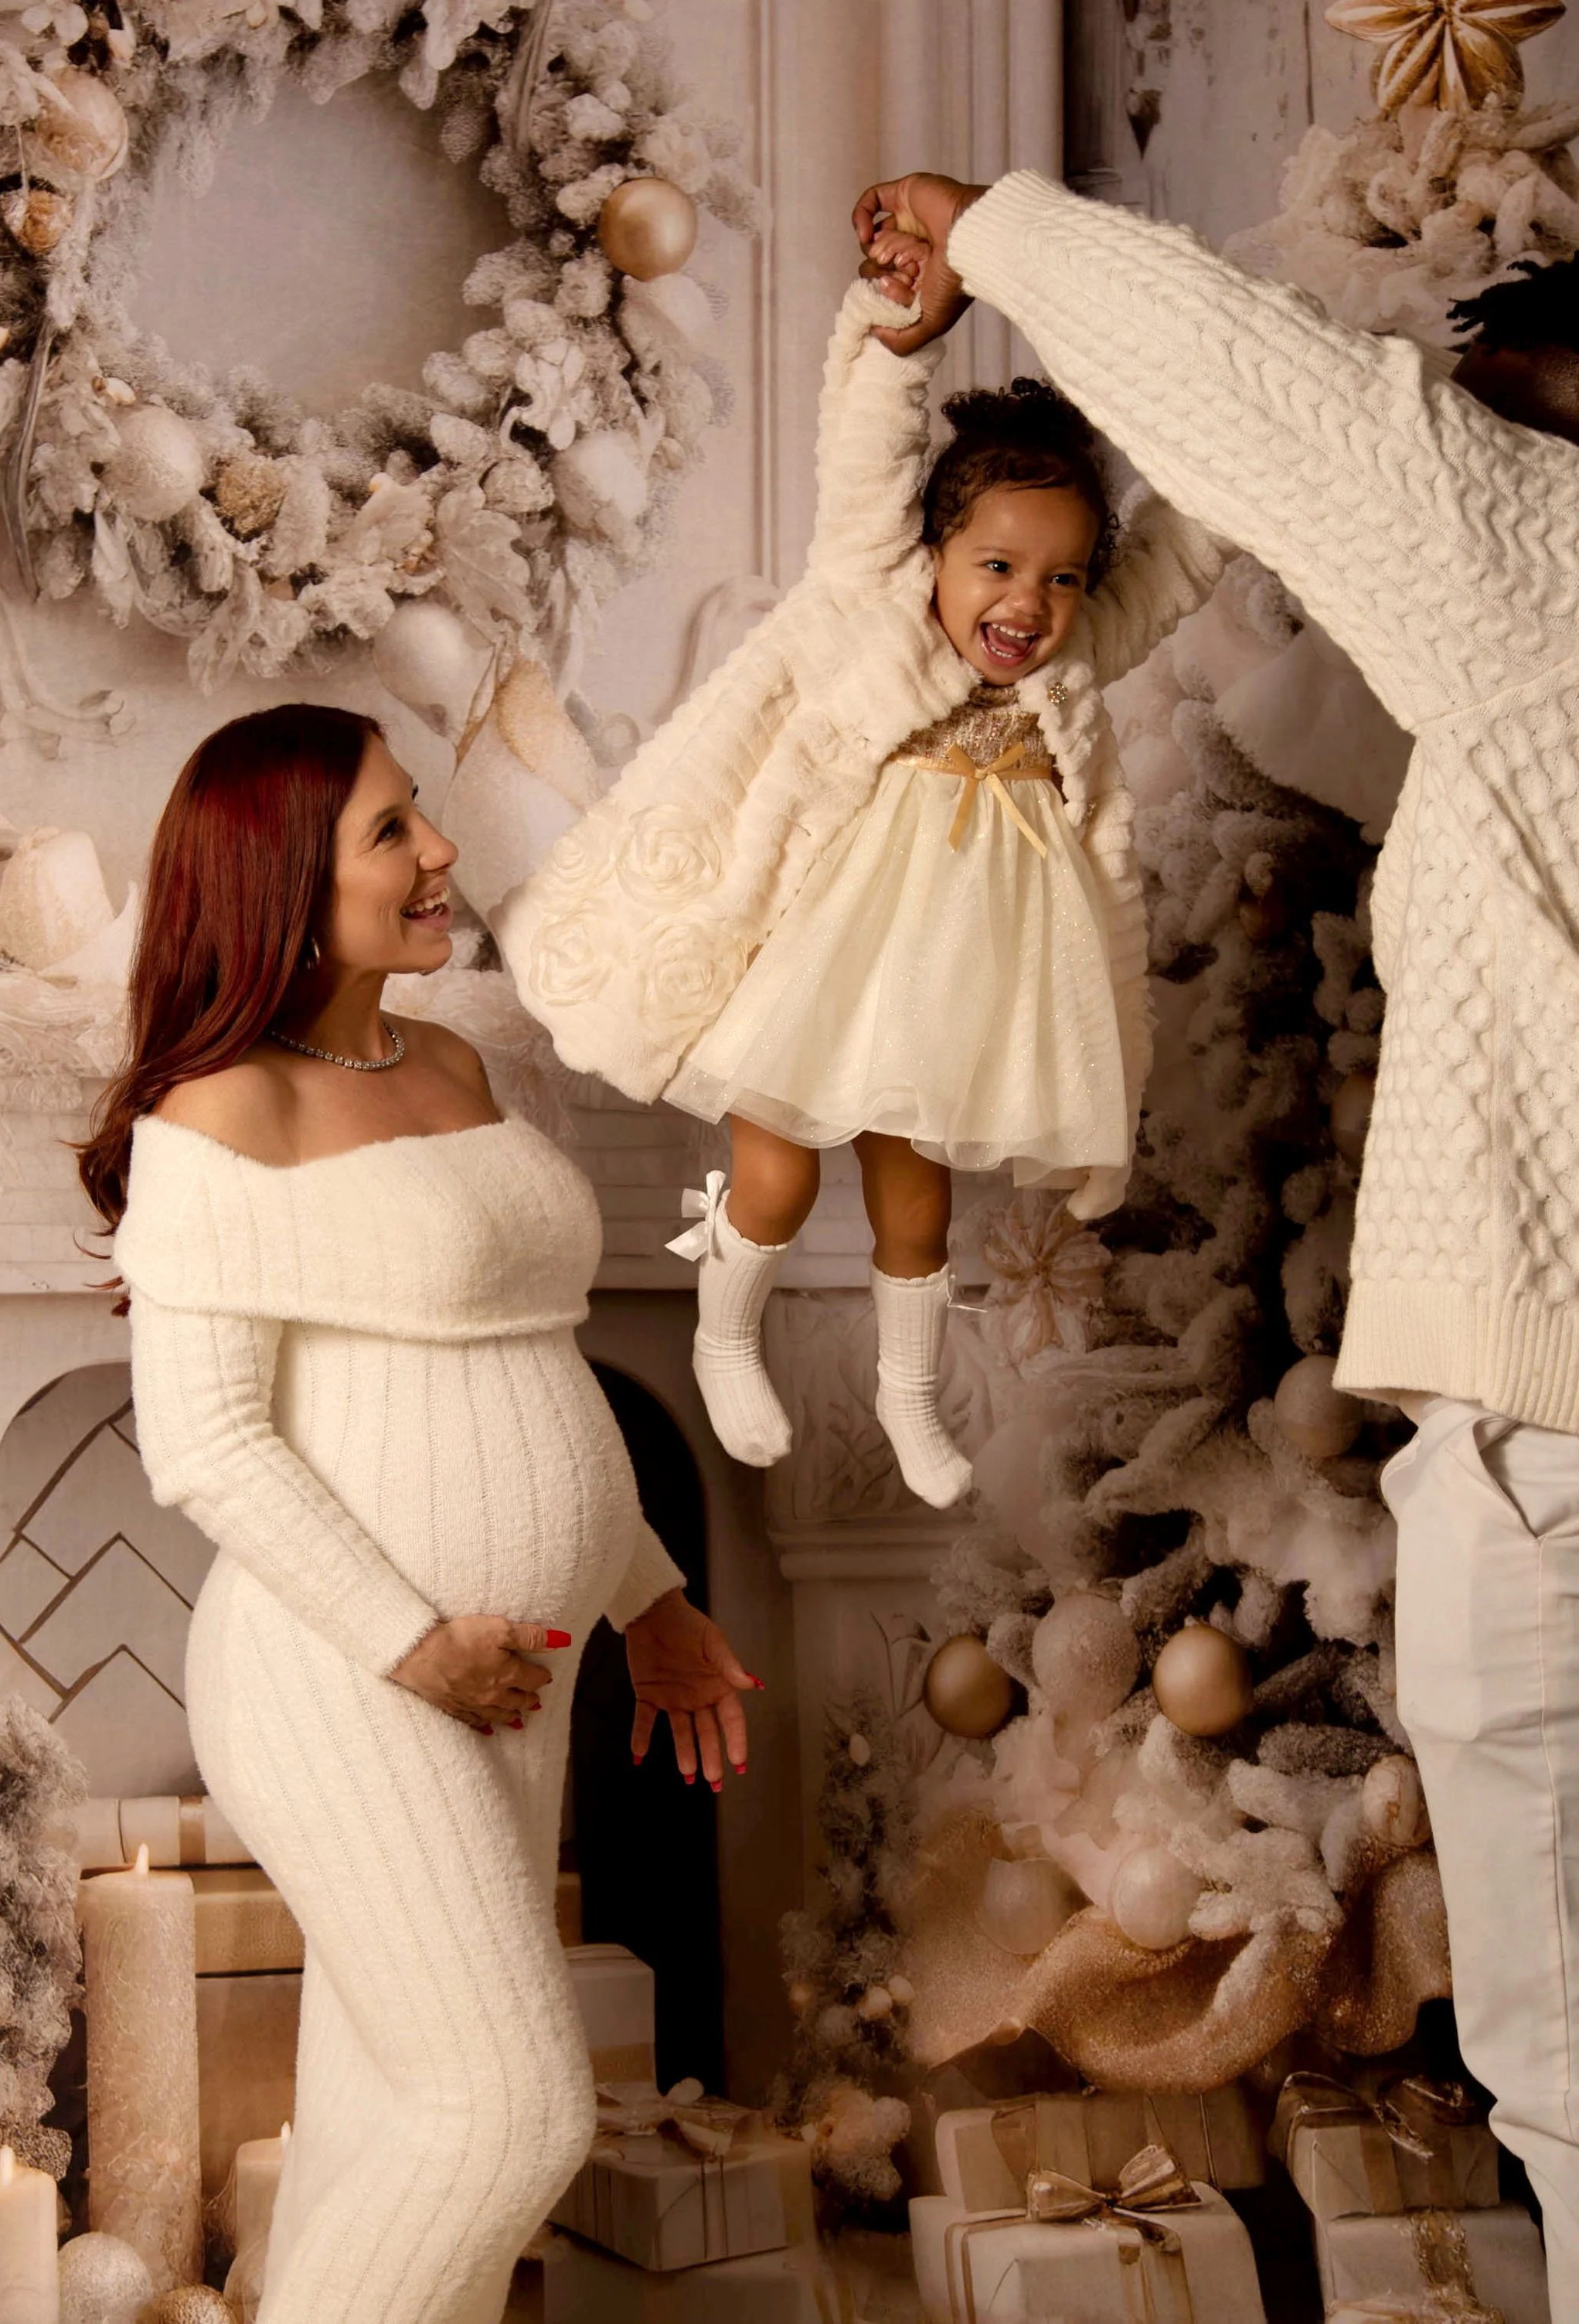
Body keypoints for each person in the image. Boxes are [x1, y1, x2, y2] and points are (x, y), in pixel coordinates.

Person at [855, 167, 1579, 2300]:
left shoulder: (1549, 584)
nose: (1470, 448)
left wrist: (985, 226)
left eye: (1511, 412)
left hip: (1560, 1453)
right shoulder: (1514, 698)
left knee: (1565, 2057)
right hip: (1532, 1438)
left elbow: (1292, 410)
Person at [77, 704, 759, 2324]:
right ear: (279, 884)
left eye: (422, 817)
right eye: (392, 829)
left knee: (396, 2112)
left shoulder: (443, 1060)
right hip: (346, 1681)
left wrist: (646, 1596)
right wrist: (407, 1644)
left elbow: (536, 1378)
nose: (442, 850)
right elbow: (207, 1448)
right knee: (505, 2114)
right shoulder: (217, 1114)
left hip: (505, 1675)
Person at [495, 282, 1226, 1506]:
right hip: (824, 951)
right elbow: (869, 453)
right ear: (933, 554)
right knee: (773, 1176)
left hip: (955, 980)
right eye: (997, 565)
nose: (1026, 605)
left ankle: (908, 1390)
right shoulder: (872, 595)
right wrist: (900, 332)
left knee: (916, 1202)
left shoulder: (1084, 648)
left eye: (1060, 579)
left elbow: (1181, 560)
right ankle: (722, 1335)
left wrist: (1224, 437)